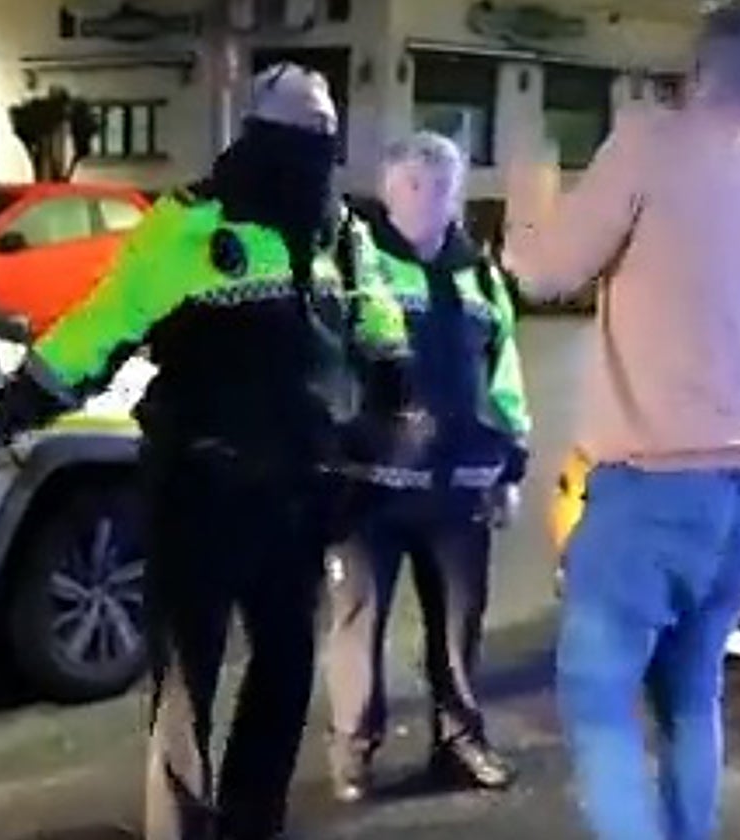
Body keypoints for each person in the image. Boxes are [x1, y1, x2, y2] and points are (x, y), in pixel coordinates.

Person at [0, 64, 411, 840]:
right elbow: (99, 330)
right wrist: (5, 418)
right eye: (297, 132)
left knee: (286, 670)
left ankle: (253, 824)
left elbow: (379, 323)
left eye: (322, 134)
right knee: (189, 682)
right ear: (257, 133)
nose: (311, 151)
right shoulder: (189, 227)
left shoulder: (343, 235)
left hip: (299, 493)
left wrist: (393, 405)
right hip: (201, 487)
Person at [502, 2, 740, 838]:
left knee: (596, 692)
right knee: (692, 691)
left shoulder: (648, 145)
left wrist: (527, 197)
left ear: (697, 72)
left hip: (653, 485)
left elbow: (545, 273)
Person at [323, 132, 531, 802]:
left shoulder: (480, 276)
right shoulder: (356, 265)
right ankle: (354, 749)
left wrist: (511, 465)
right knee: (359, 625)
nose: (430, 197)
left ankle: (460, 742)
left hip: (460, 489)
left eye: (443, 185)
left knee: (459, 628)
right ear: (389, 190)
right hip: (370, 489)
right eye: (415, 183)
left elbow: (504, 375)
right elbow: (327, 364)